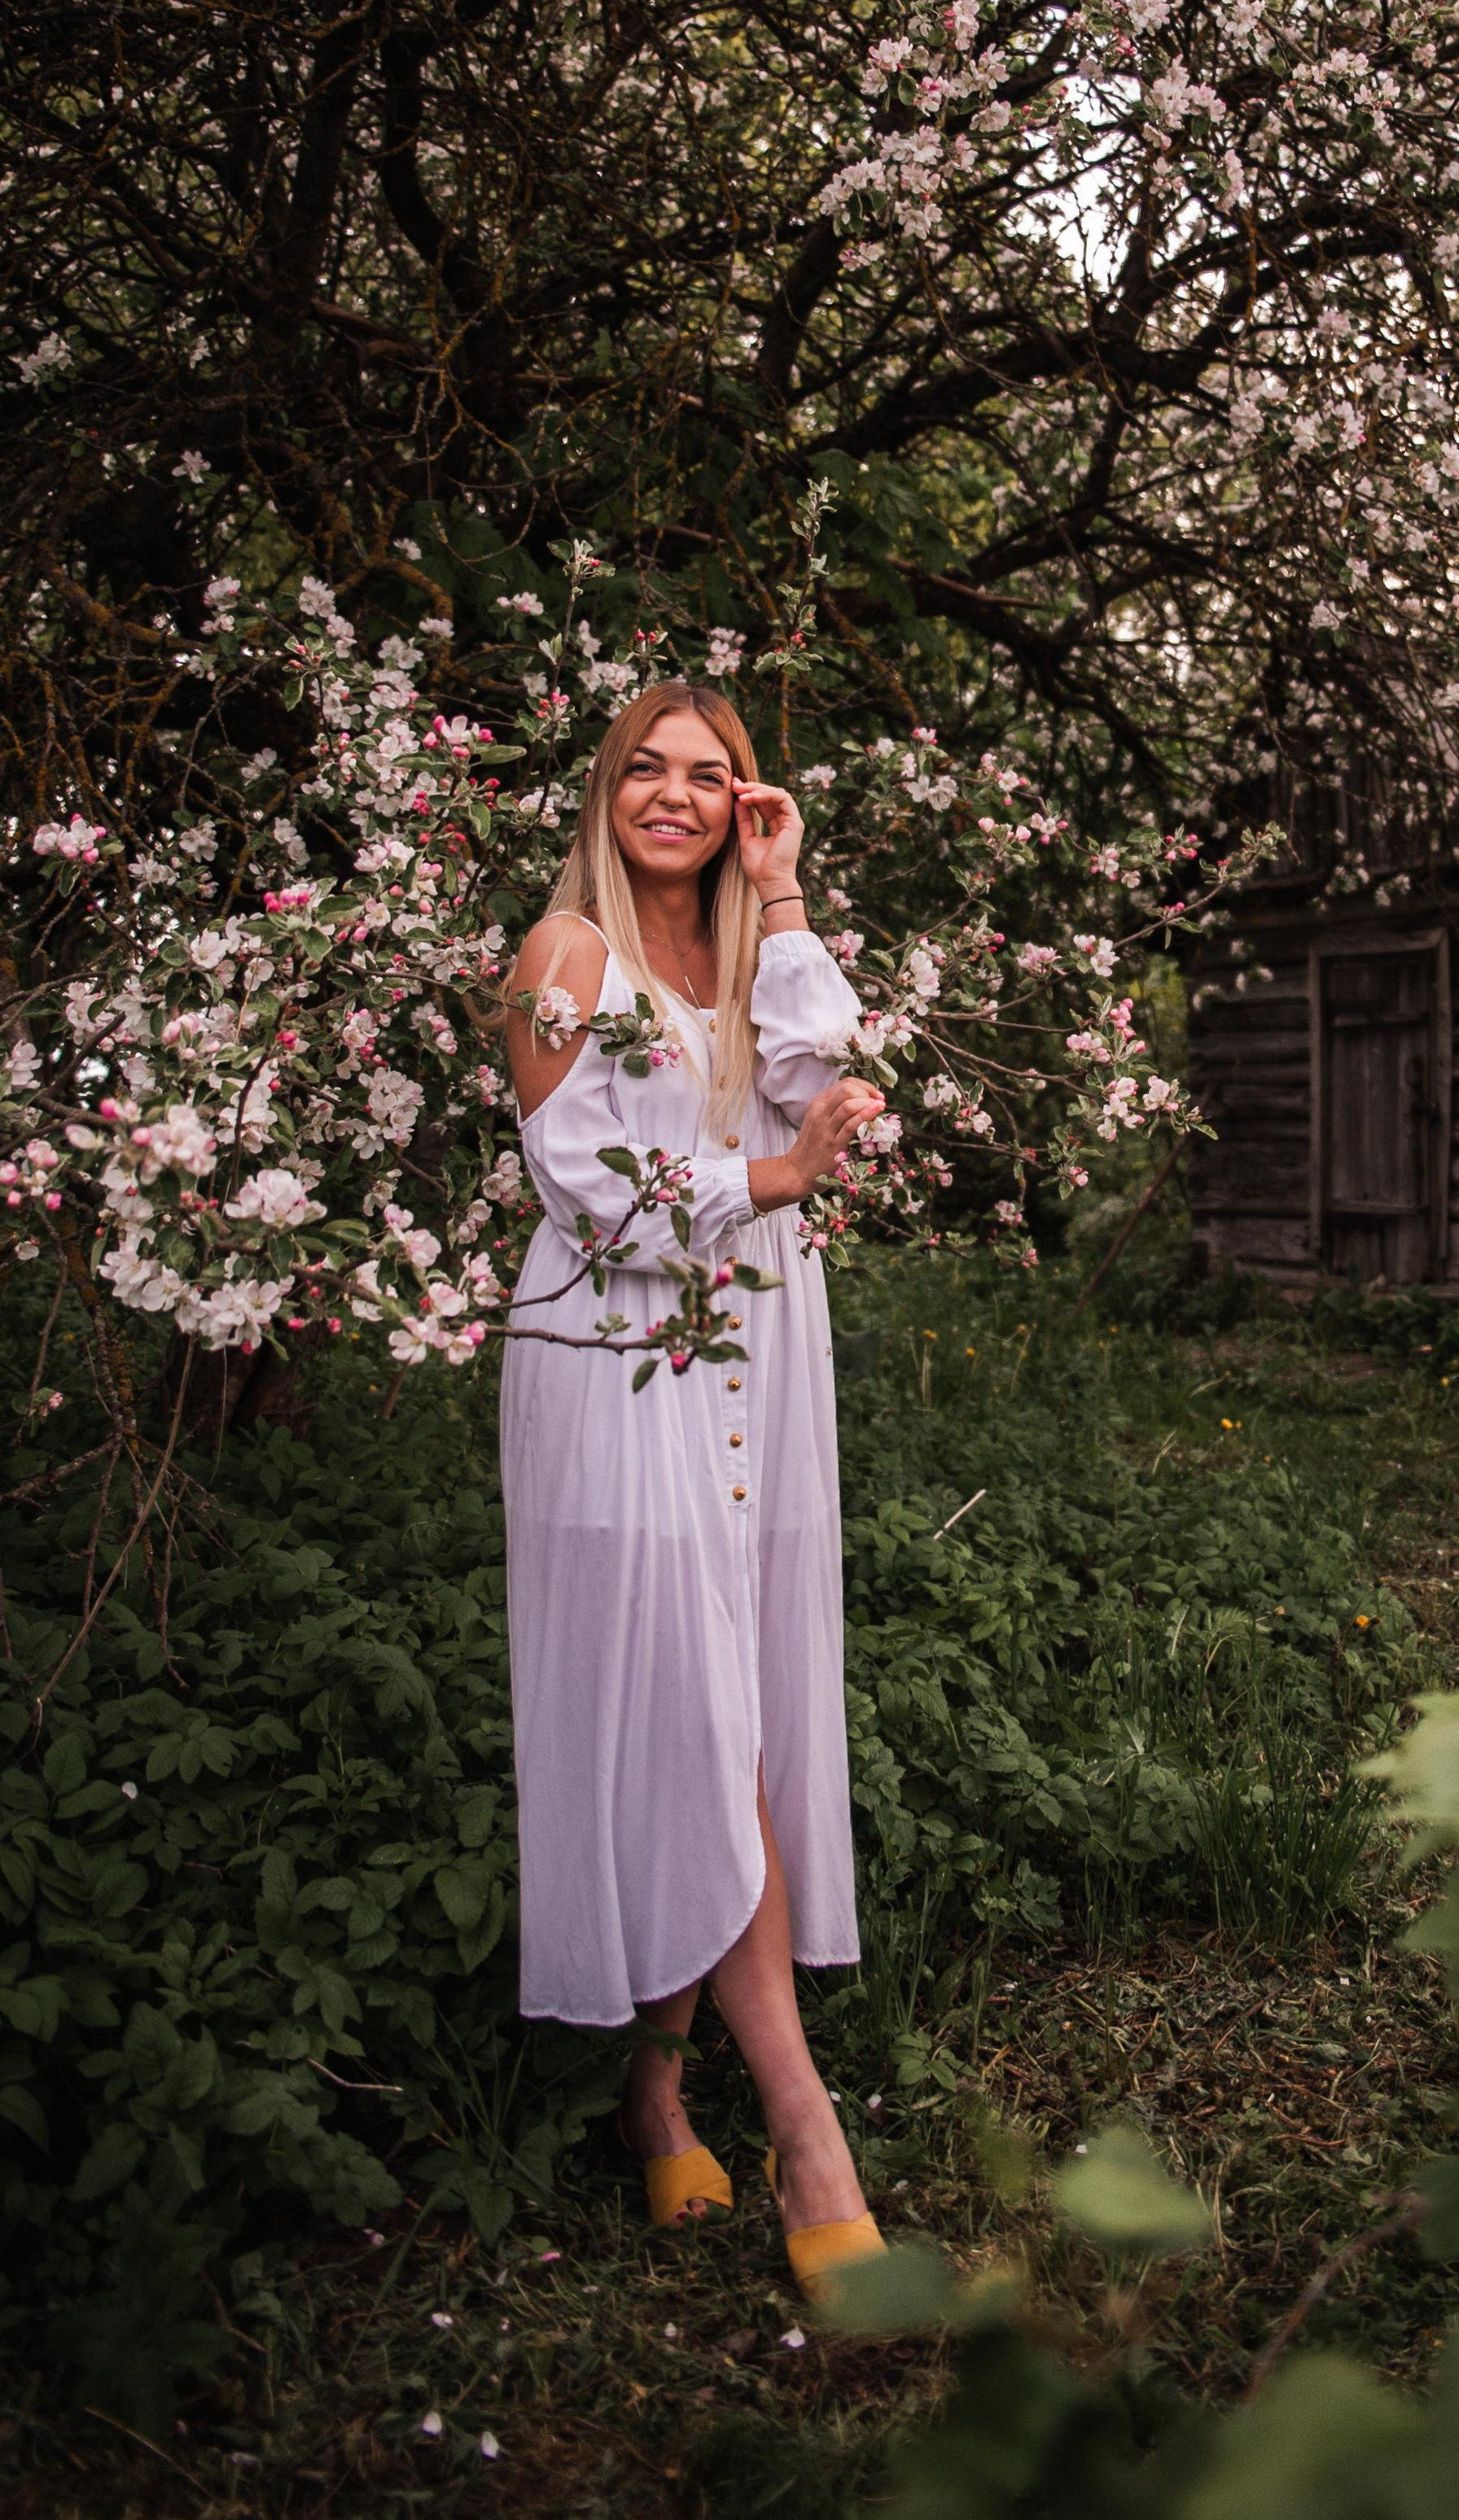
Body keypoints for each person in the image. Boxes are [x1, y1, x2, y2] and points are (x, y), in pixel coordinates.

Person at [498, 679, 887, 2303]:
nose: (676, 794)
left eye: (709, 775)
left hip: (753, 1361)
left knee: (735, 1720)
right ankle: (807, 2136)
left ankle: (656, 2095)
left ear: (740, 800)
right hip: (614, 1360)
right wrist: (770, 1180)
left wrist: (785, 890)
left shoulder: (734, 954)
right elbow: (573, 1179)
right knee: (698, 1723)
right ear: (605, 793)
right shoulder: (558, 959)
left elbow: (822, 1076)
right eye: (645, 771)